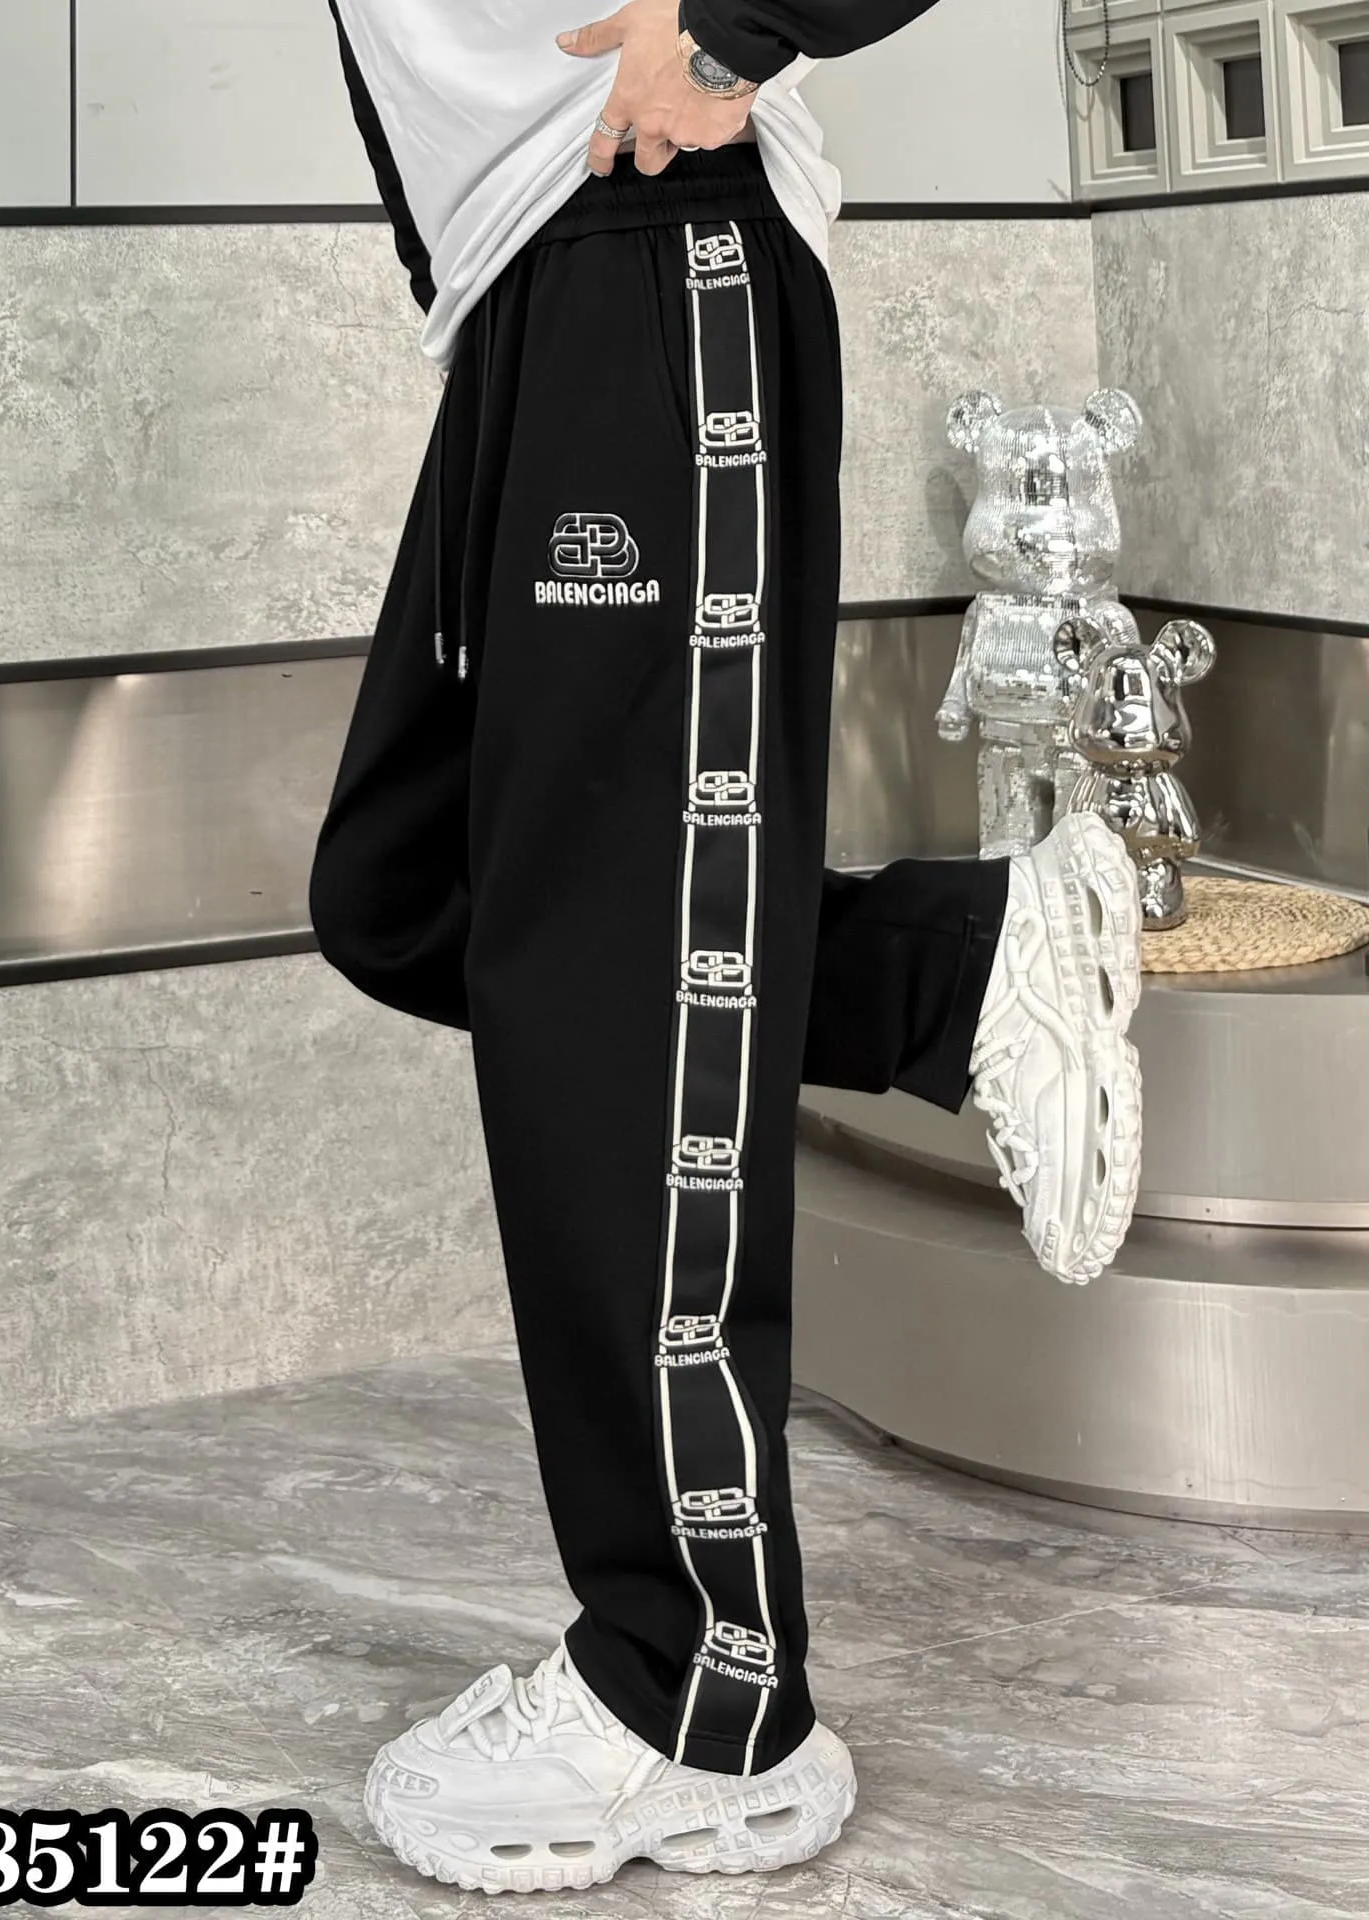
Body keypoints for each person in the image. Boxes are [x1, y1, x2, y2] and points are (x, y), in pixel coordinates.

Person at [308, 0, 1145, 1893]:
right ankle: (956, 968)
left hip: (652, 234)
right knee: (408, 886)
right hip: (540, 282)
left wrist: (737, 28)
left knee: (607, 961)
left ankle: (699, 1698)